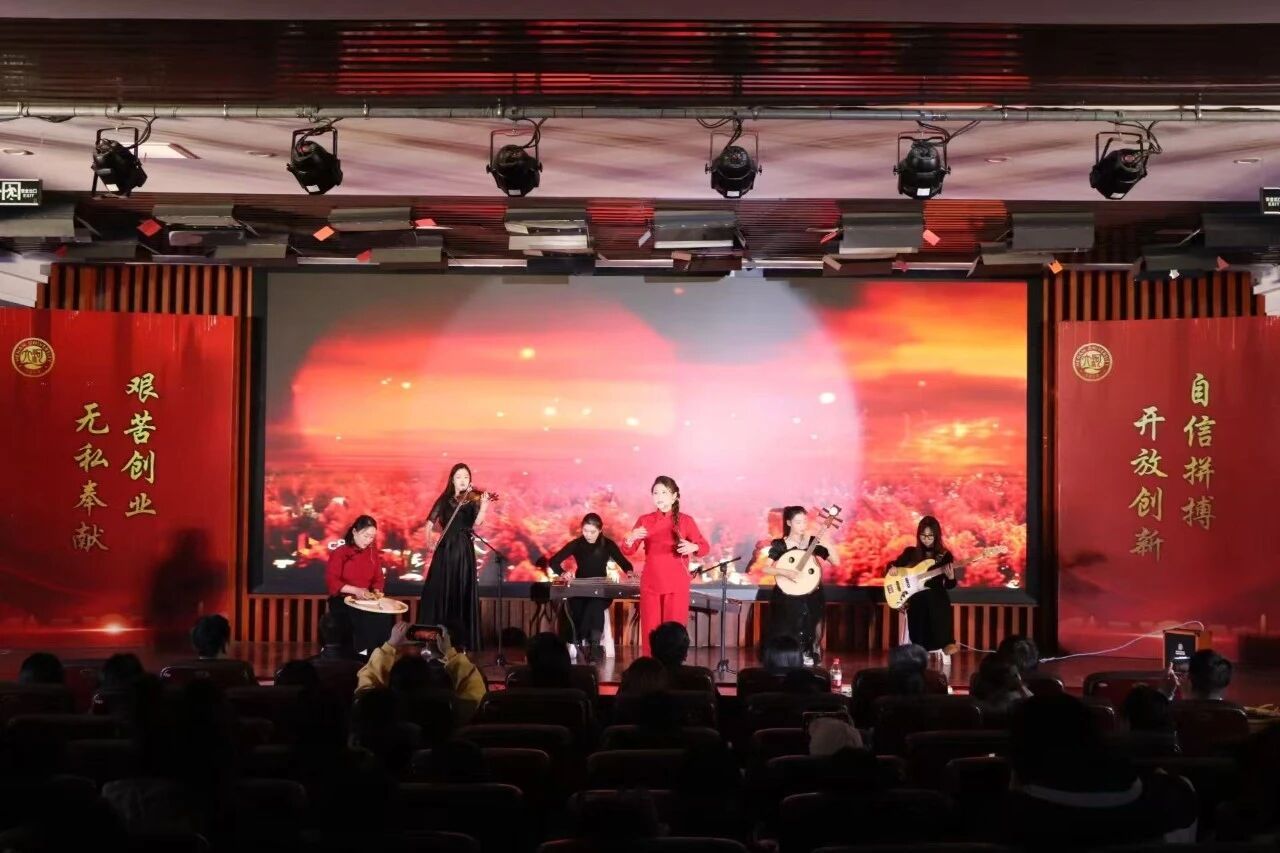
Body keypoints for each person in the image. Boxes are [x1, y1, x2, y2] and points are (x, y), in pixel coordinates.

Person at [622, 475, 710, 656]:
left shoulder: (686, 521)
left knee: (674, 632)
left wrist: (693, 547)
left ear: (674, 496)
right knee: (650, 630)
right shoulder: (645, 520)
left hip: (676, 584)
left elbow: (704, 547)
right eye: (656, 493)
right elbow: (628, 550)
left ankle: (674, 666)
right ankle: (651, 667)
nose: (659, 496)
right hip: (651, 582)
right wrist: (631, 538)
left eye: (664, 492)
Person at [420, 463, 490, 651]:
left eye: (466, 477)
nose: (462, 480)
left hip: (464, 549)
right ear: (452, 480)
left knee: (462, 588)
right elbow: (429, 522)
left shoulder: (473, 500)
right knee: (440, 588)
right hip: (445, 548)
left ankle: (461, 641)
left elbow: (478, 522)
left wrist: (484, 505)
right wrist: (429, 540)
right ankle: (436, 639)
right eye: (459, 477)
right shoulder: (444, 500)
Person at [356, 621, 486, 720]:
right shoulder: (450, 712)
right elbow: (475, 695)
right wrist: (449, 653)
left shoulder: (380, 713)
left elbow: (366, 689)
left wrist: (390, 645)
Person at [548, 512, 634, 662]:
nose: (588, 535)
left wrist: (630, 573)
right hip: (581, 589)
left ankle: (592, 645)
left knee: (595, 603)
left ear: (600, 530)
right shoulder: (577, 544)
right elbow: (553, 561)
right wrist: (563, 573)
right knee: (577, 604)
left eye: (592, 532)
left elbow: (625, 563)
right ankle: (586, 643)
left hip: (601, 590)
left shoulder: (608, 544)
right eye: (585, 531)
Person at [767, 505, 838, 663]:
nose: (802, 525)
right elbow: (767, 568)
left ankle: (808, 655)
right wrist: (786, 572)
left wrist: (826, 541)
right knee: (789, 628)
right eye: (798, 522)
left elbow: (835, 562)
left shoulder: (811, 542)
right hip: (787, 595)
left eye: (805, 522)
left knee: (810, 626)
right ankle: (790, 659)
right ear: (789, 523)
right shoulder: (781, 544)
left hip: (811, 594)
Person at [890, 515, 957, 663]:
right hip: (916, 595)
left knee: (936, 598)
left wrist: (951, 577)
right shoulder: (910, 553)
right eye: (923, 535)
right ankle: (921, 648)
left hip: (937, 595)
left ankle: (946, 643)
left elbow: (950, 585)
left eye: (930, 536)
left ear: (936, 535)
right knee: (921, 599)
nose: (926, 539)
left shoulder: (945, 556)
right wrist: (892, 568)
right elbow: (893, 565)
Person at [325, 514, 392, 655]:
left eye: (371, 537)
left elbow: (379, 578)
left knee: (383, 618)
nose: (368, 540)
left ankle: (376, 658)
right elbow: (333, 581)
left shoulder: (373, 553)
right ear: (354, 532)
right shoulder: (340, 553)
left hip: (366, 601)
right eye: (365, 536)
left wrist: (377, 591)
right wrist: (356, 591)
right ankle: (356, 656)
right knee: (354, 619)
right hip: (343, 600)